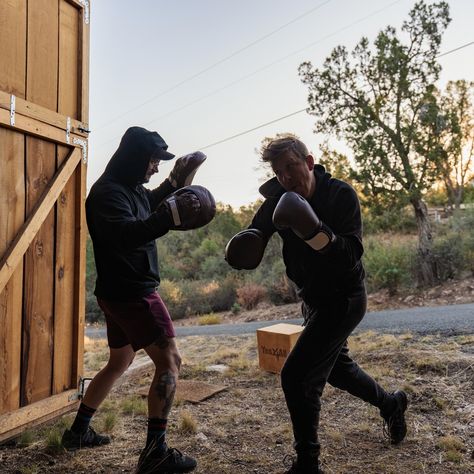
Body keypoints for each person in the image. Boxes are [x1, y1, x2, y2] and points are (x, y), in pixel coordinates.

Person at [225, 135, 408, 474]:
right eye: (278, 172)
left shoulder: (340, 195)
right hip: (311, 299)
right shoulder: (279, 198)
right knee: (337, 369)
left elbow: (352, 255)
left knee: (297, 376)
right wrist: (246, 245)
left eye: (291, 167)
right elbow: (255, 234)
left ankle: (308, 463)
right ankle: (391, 404)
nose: (286, 178)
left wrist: (313, 229)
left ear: (308, 162)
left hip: (345, 299)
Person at [62, 126, 215, 474]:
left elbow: (150, 203)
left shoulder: (128, 189)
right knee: (171, 362)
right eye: (152, 161)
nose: (155, 167)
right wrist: (168, 216)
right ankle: (155, 453)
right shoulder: (106, 195)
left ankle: (78, 432)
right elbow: (124, 236)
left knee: (119, 362)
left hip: (117, 293)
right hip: (133, 294)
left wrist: (174, 184)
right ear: (134, 158)